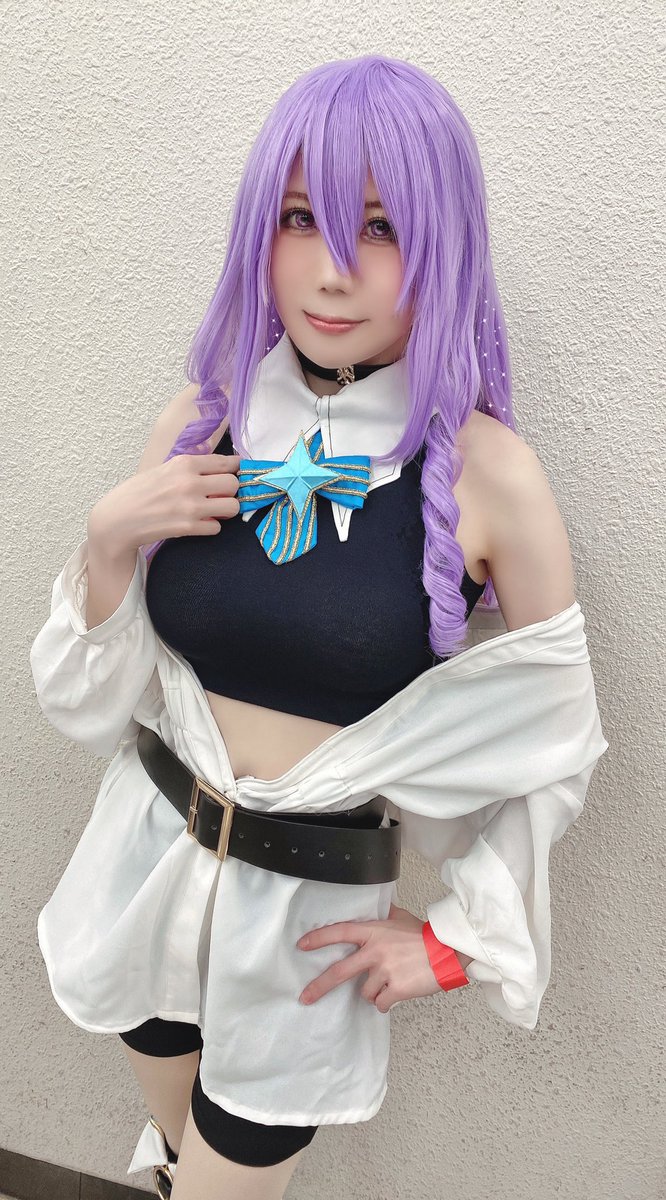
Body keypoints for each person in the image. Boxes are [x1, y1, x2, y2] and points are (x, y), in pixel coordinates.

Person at [29, 55, 608, 1200]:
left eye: (380, 229)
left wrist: (457, 943)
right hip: (140, 876)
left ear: (444, 243)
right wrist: (105, 546)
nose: (334, 268)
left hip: (302, 925)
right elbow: (94, 705)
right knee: (174, 1162)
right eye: (301, 219)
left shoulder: (489, 474)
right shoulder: (203, 420)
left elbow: (558, 740)